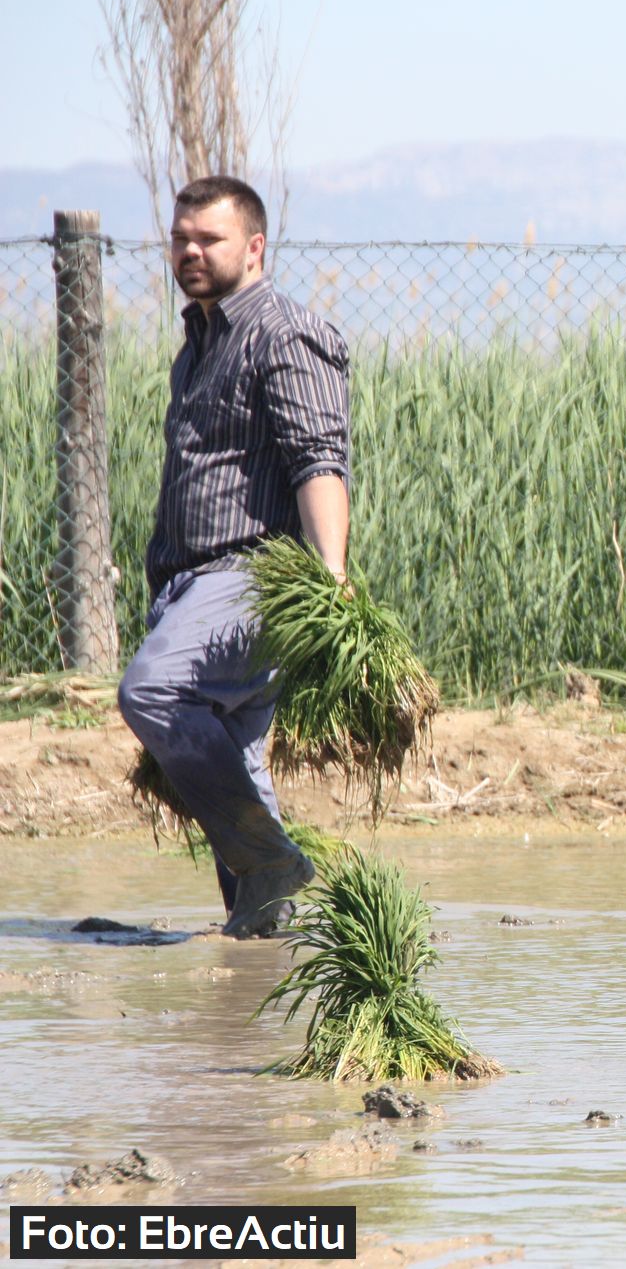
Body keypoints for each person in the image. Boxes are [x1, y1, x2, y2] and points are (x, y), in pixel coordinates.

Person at [117, 175, 352, 938]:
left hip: (249, 578)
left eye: (208, 239)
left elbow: (319, 459)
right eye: (180, 238)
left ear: (254, 248)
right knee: (238, 758)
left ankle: (270, 859)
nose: (189, 250)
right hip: (188, 587)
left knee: (153, 691)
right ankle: (262, 957)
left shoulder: (283, 333)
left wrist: (331, 574)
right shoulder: (200, 343)